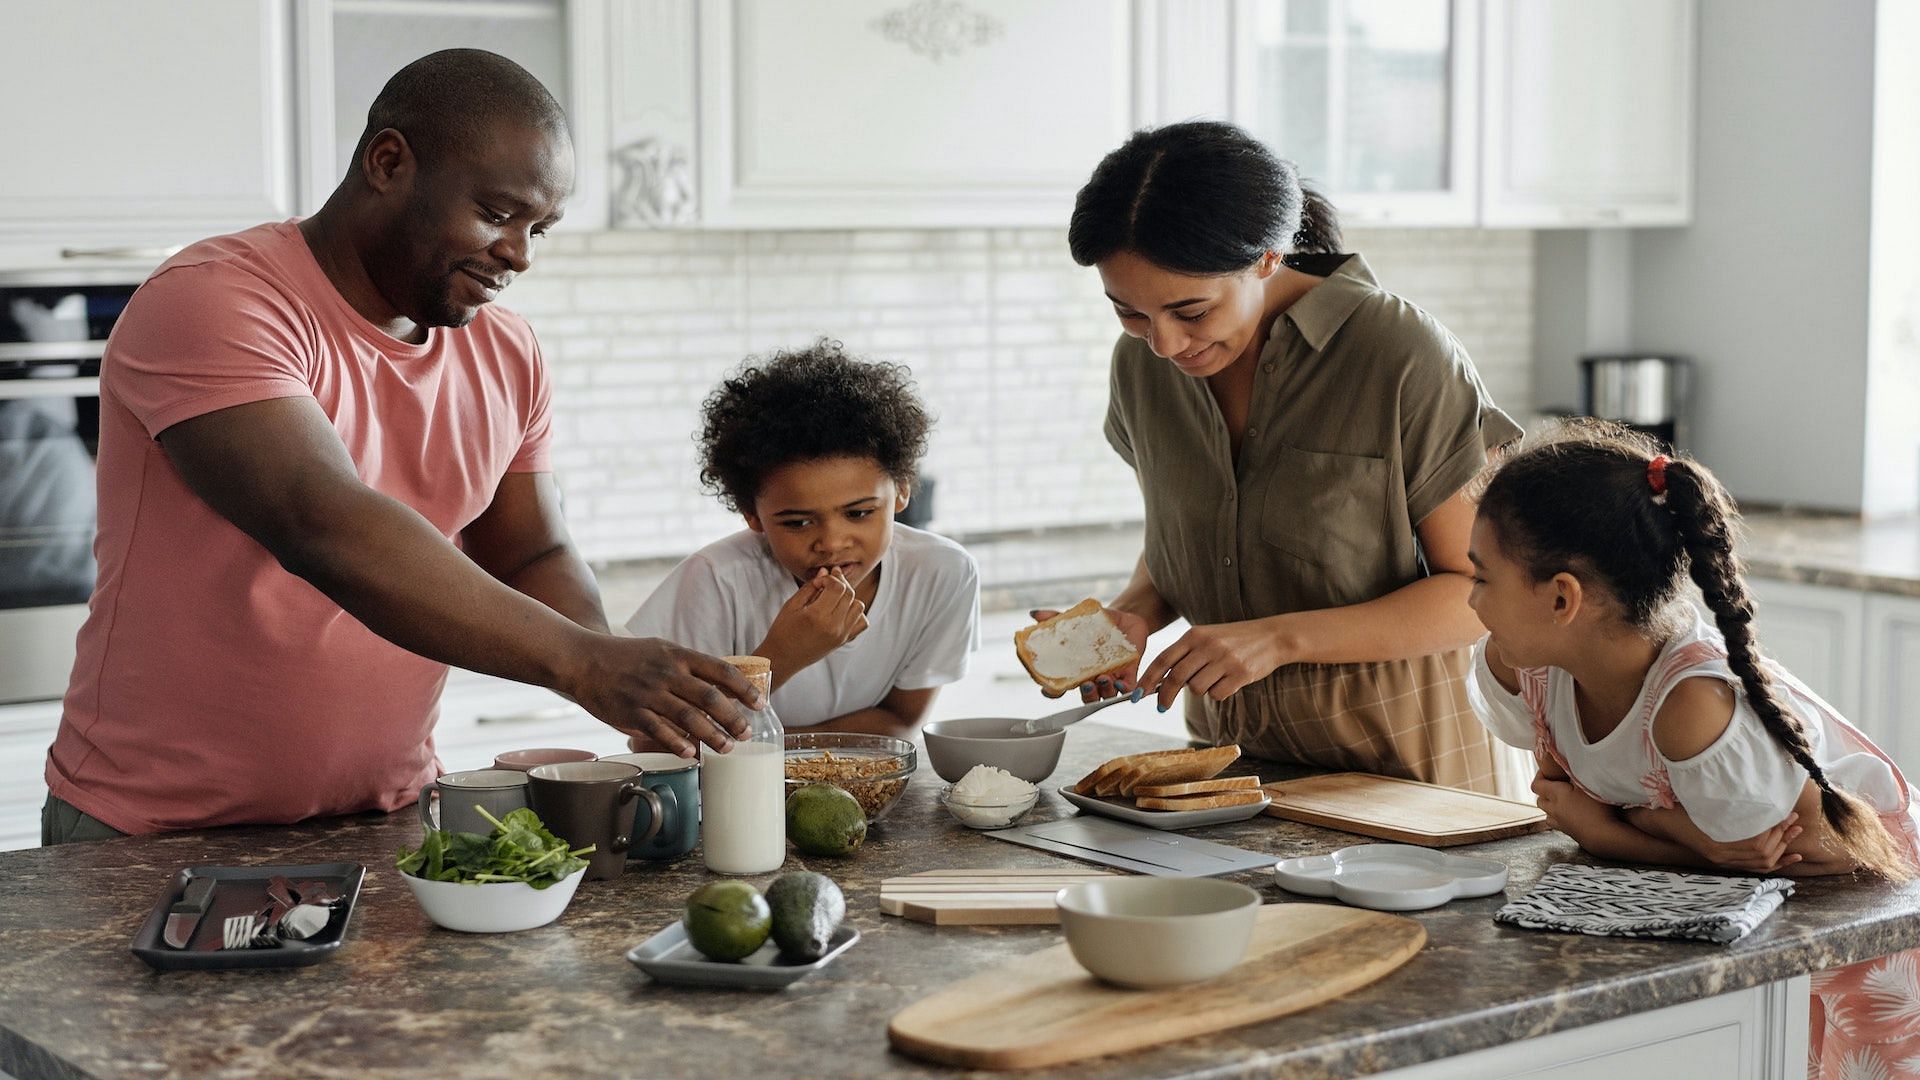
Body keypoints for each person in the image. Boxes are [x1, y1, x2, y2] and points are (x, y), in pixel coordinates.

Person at [41, 49, 759, 845]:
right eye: (496, 213)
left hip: (388, 816)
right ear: (388, 162)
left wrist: (616, 671)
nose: (519, 253)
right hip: (155, 830)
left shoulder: (507, 352)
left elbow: (530, 553)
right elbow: (324, 524)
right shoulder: (216, 300)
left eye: (538, 228)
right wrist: (583, 665)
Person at [1058, 120, 1523, 793]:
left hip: (1411, 774)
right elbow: (1194, 536)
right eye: (1128, 312)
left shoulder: (1397, 353)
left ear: (1269, 258)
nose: (1162, 343)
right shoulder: (1143, 367)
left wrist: (1277, 639)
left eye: (1191, 310)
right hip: (1229, 770)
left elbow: (1478, 595)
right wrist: (1135, 612)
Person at [1465, 419, 1918, 1076]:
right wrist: (1678, 835)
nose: (1469, 599)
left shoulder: (1692, 706)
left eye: (1482, 579)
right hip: (1762, 921)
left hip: (1864, 926)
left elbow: (1782, 856)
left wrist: (1616, 833)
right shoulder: (1527, 666)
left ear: (1562, 598)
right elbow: (1705, 849)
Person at [625, 341, 979, 736]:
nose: (831, 542)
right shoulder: (715, 581)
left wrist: (775, 749)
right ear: (751, 514)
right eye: (797, 522)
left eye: (859, 513)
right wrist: (781, 657)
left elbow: (900, 720)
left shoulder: (943, 573)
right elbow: (656, 745)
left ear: (901, 490)